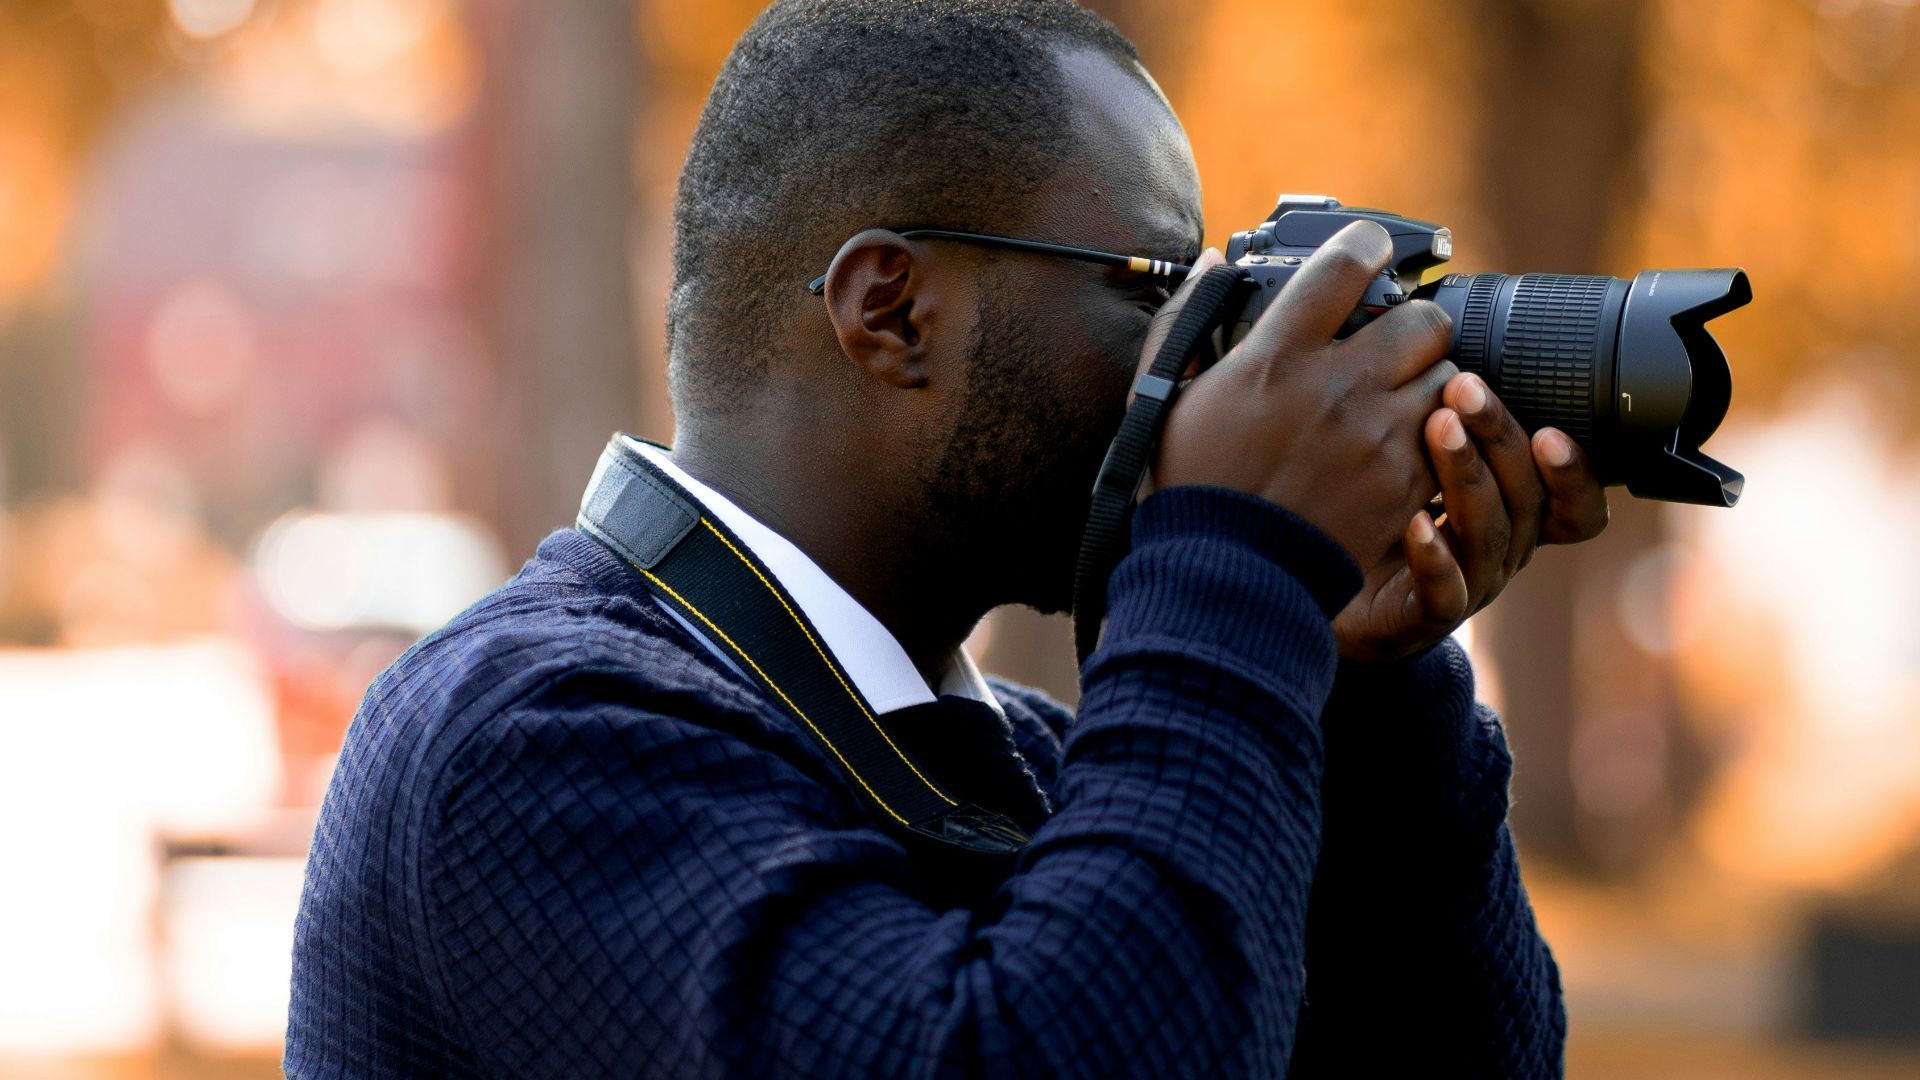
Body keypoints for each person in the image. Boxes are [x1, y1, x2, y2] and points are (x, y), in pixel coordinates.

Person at [286, 1, 1610, 1076]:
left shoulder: (1029, 767)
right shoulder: (531, 740)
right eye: (1160, 291)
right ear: (893, 312)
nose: (1202, 366)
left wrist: (1356, 698)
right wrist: (1230, 567)